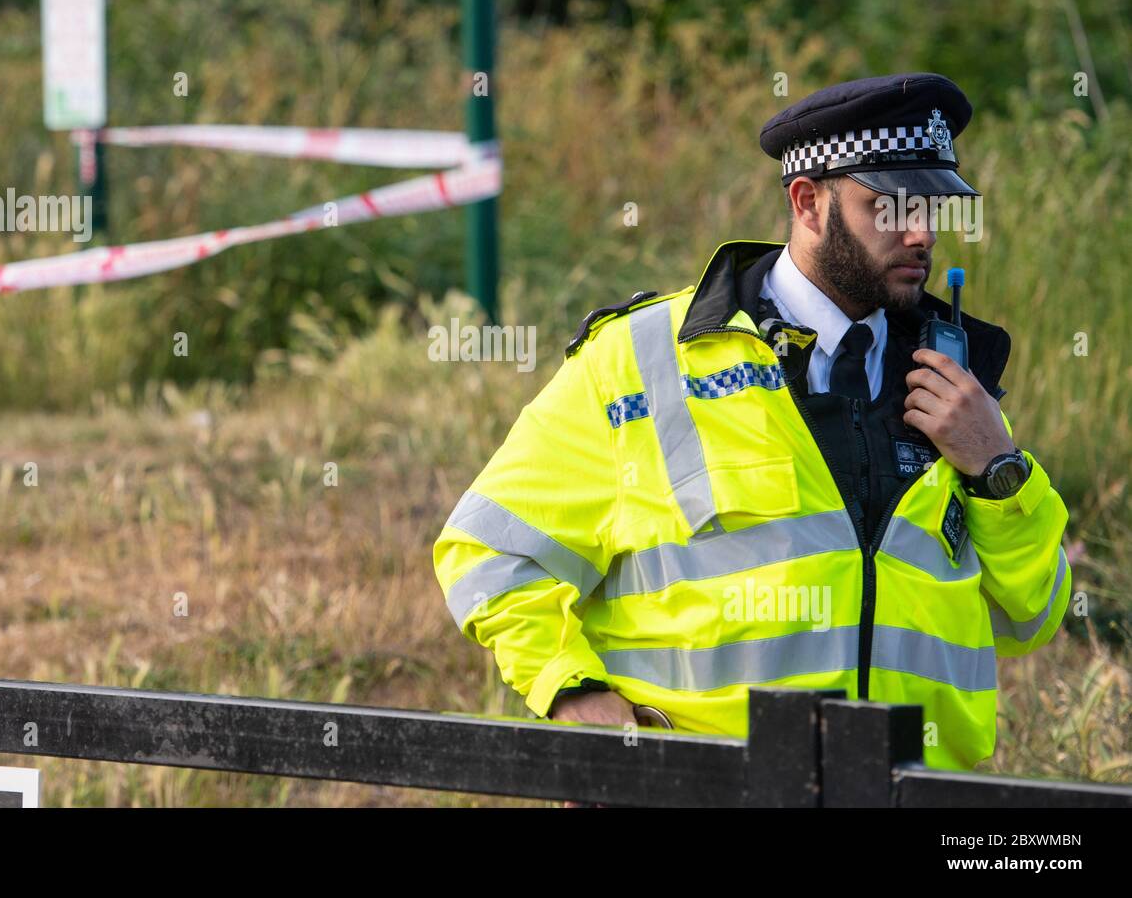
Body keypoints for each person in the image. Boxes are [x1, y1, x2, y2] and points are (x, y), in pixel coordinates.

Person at [431, 73, 1070, 771]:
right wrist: (571, 691)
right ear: (808, 202)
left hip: (913, 792)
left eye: (933, 208)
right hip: (703, 788)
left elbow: (1029, 618)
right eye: (889, 207)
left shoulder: (959, 380)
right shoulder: (640, 359)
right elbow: (489, 551)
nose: (921, 233)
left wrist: (997, 469)